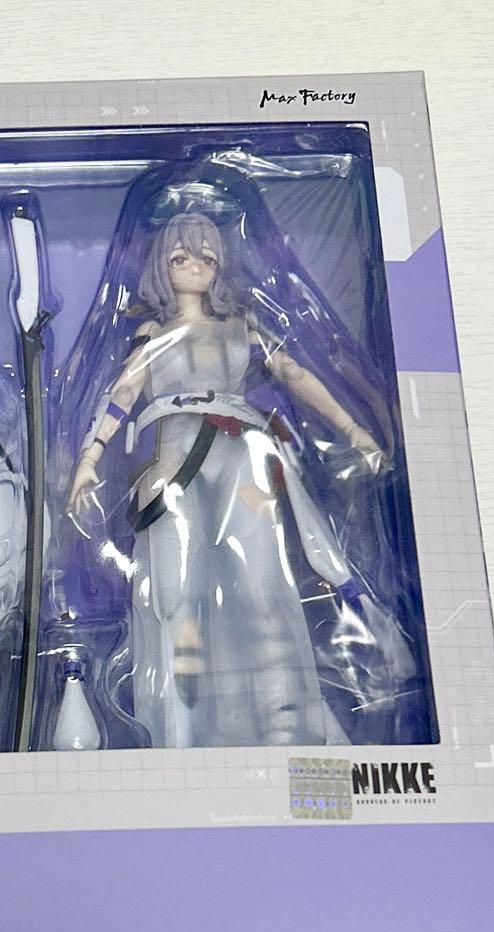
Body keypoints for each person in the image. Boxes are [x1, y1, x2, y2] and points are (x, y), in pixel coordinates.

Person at [68, 213, 383, 748]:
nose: (194, 267)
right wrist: (89, 457)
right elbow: (123, 393)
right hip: (172, 454)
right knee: (172, 592)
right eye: (180, 257)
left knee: (264, 585)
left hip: (242, 449)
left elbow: (294, 374)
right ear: (161, 266)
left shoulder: (244, 326)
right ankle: (177, 734)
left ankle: (285, 723)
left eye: (207, 257)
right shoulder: (152, 332)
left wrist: (352, 428)